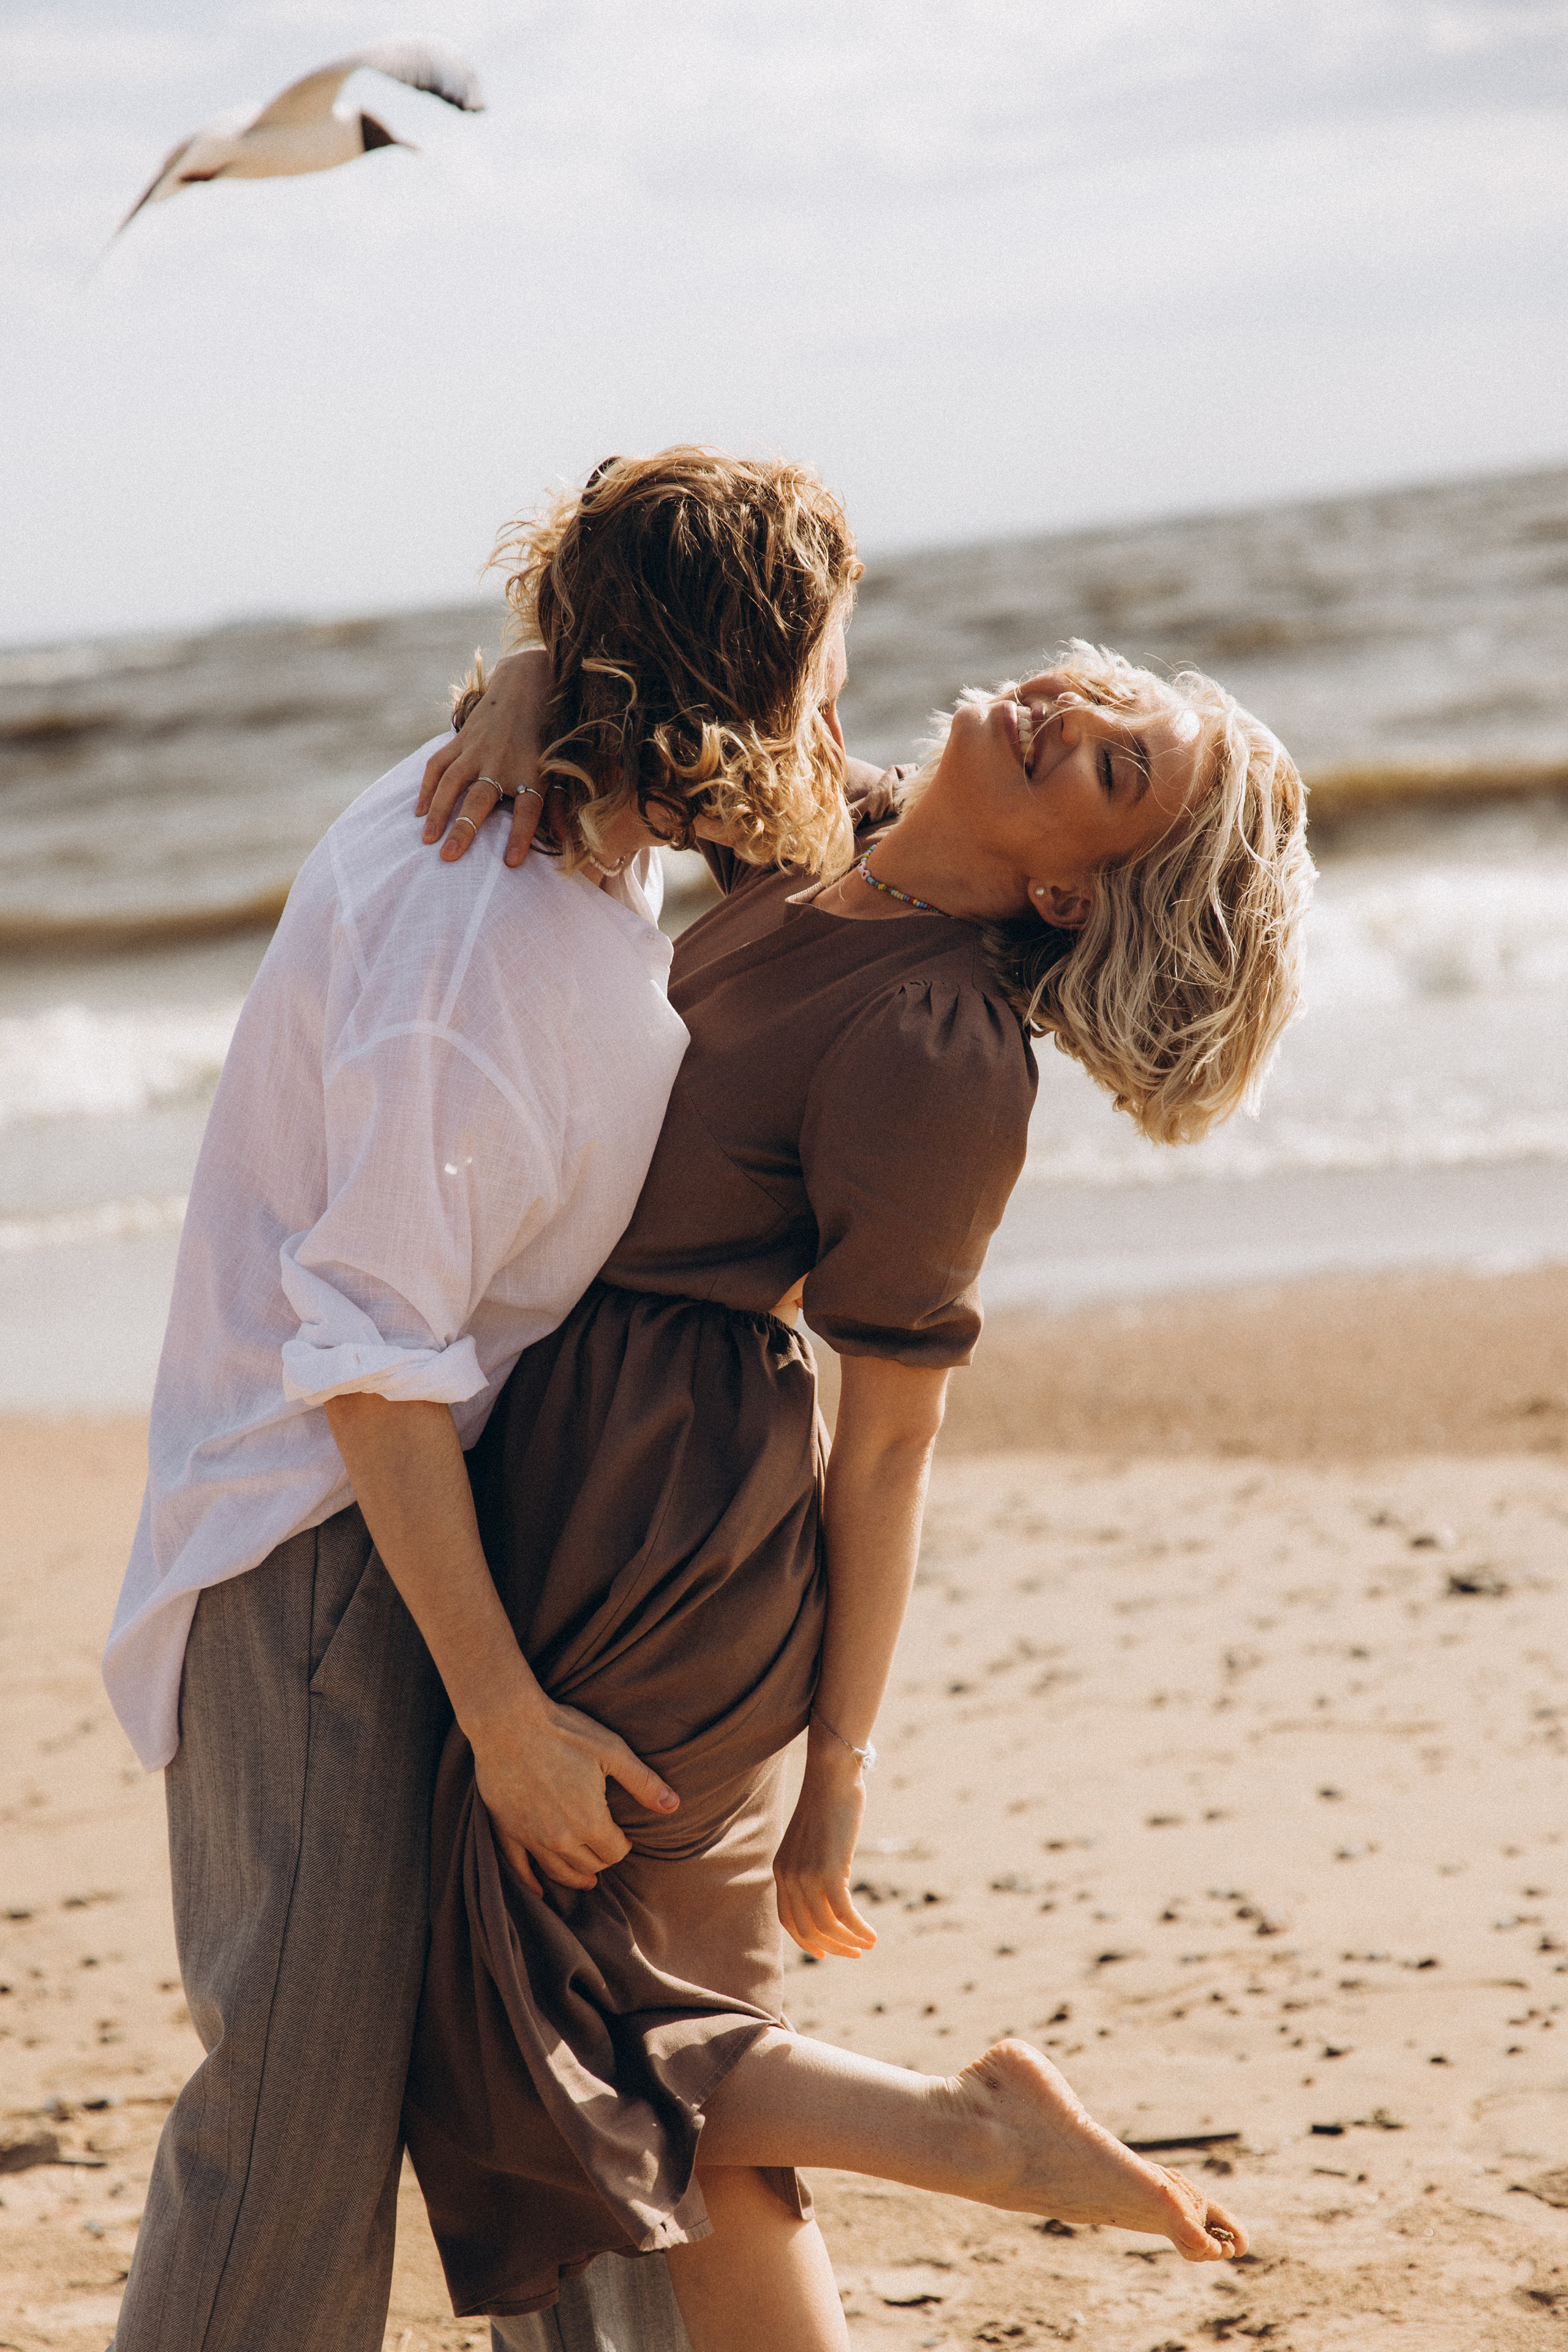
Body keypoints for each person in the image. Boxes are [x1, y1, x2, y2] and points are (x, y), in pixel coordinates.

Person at [404, 562, 1313, 2345]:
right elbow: (665, 657)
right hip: (579, 1446)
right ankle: (970, 2135)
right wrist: (520, 686)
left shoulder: (946, 1049)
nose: (1070, 713)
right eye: (1101, 697)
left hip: (665, 1517)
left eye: (1114, 772)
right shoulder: (830, 822)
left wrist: (843, 1766)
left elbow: (892, 1445)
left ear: (1070, 887)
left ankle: (976, 2133)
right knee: (667, 2058)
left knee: (554, 1999)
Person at [100, 448, 862, 2352]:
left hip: (450, 1539)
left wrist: (519, 678)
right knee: (293, 2128)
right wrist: (505, 1712)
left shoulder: (569, 829)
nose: (843, 708)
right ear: (739, 676)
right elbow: (362, 1356)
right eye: (827, 665)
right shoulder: (487, 930)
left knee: (532, 2080)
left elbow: (871, 849)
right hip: (325, 1567)